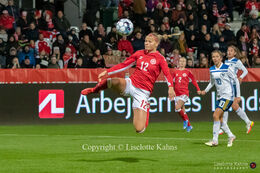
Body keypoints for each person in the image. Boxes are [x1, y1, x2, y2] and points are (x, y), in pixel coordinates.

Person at [81, 33, 176, 133]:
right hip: (131, 83)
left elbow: (167, 74)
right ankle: (95, 90)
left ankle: (146, 106)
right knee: (114, 81)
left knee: (139, 129)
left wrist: (170, 87)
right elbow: (124, 65)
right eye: (146, 41)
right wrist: (108, 72)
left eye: (149, 42)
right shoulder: (139, 53)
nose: (146, 43)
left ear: (156, 44)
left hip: (143, 92)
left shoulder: (160, 58)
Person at [201, 50, 237, 147]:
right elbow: (212, 82)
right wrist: (205, 90)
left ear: (221, 58)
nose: (215, 58)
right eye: (213, 57)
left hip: (228, 96)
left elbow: (235, 80)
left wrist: (237, 95)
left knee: (215, 115)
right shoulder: (212, 69)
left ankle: (215, 141)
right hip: (219, 97)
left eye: (217, 56)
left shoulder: (226, 68)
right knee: (220, 119)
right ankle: (231, 135)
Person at [219, 45, 254, 135]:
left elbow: (245, 70)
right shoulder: (225, 62)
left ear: (235, 53)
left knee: (230, 104)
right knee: (231, 105)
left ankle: (224, 127)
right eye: (228, 50)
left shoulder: (236, 61)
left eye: (231, 51)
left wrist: (241, 77)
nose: (229, 52)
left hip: (234, 85)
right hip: (227, 86)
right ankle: (248, 122)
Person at [172, 57, 201, 132]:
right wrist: (171, 91)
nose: (182, 62)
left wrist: (198, 89)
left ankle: (185, 121)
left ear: (185, 63)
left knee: (177, 107)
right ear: (178, 62)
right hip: (177, 93)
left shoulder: (188, 72)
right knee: (181, 110)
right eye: (180, 61)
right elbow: (172, 82)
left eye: (183, 61)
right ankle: (189, 126)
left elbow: (194, 81)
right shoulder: (175, 72)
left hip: (184, 93)